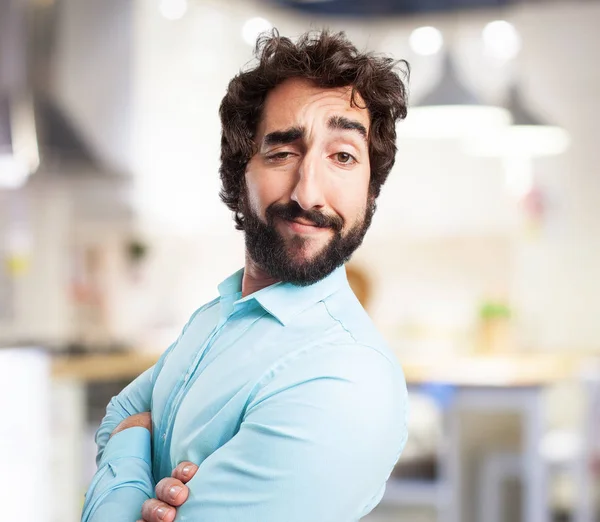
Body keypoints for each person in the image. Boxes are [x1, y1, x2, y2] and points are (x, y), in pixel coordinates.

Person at [82, 29, 410, 522]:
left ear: (371, 189)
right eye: (283, 152)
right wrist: (131, 444)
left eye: (343, 156)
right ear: (239, 176)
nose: (308, 193)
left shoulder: (349, 381)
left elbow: (125, 430)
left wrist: (131, 450)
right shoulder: (219, 314)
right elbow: (116, 418)